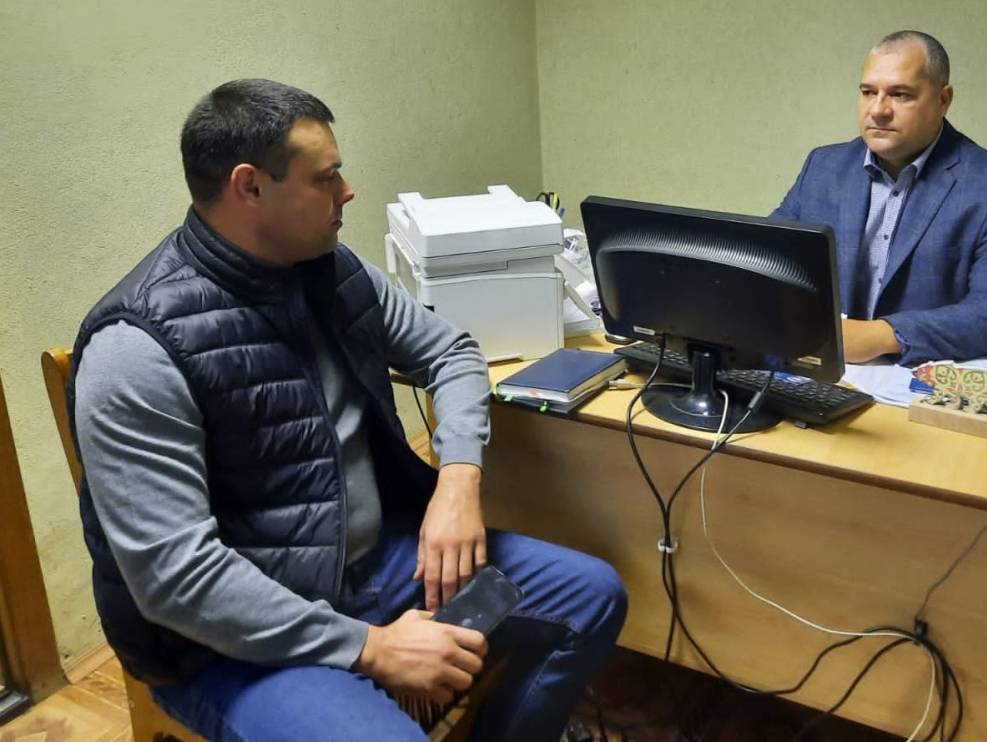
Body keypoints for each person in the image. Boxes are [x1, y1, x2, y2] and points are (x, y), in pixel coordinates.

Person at [69, 79, 626, 742]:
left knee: (592, 597)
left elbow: (451, 352)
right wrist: (373, 647)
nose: (348, 191)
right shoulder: (136, 349)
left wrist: (457, 479)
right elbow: (177, 580)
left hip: (378, 563)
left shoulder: (329, 270)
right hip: (233, 640)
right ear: (250, 187)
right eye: (325, 177)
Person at [771, 30, 987, 365]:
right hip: (818, 370)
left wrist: (882, 336)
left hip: (916, 376)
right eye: (868, 92)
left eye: (900, 95)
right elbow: (765, 259)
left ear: (943, 100)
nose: (878, 110)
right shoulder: (823, 166)